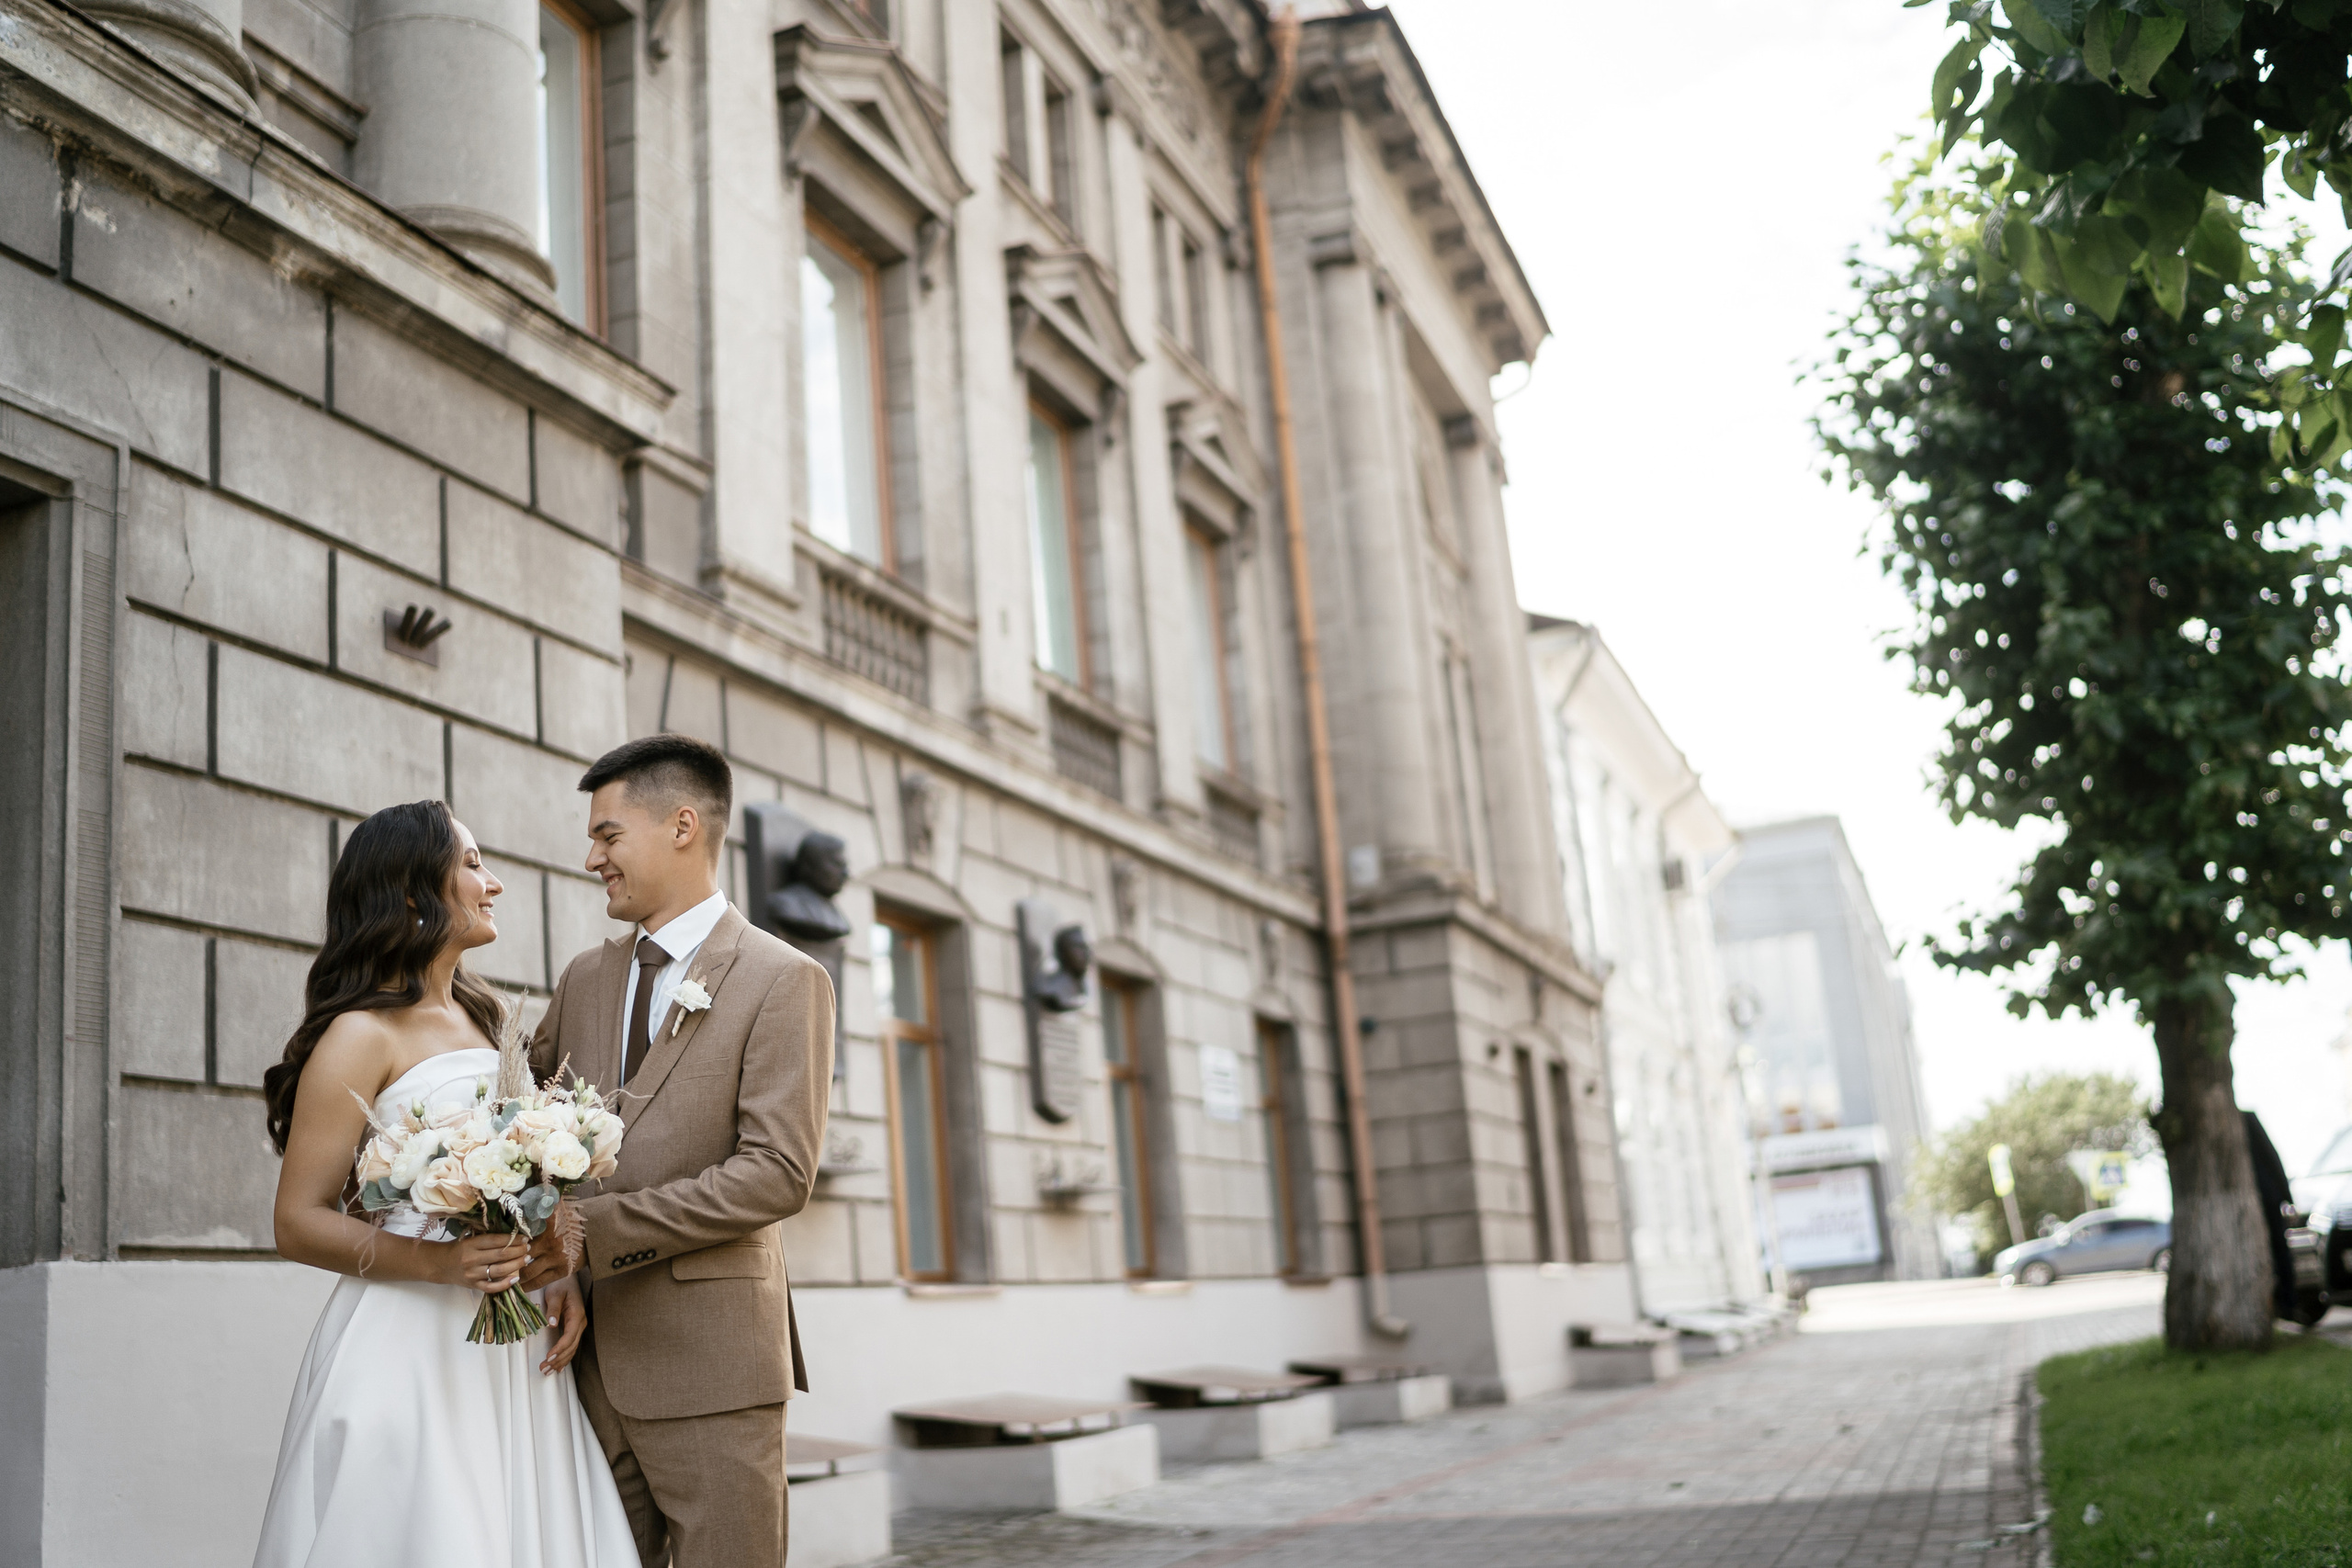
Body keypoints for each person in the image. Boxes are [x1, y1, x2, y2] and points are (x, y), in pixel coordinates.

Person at [251, 799, 637, 1568]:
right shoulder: (360, 1034)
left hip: (514, 1345)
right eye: (471, 863)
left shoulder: (490, 1021)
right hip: (411, 1342)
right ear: (409, 891)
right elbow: (297, 1220)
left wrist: (554, 1269)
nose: (493, 883)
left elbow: (530, 1181)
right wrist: (439, 1261)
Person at [521, 734, 834, 1568]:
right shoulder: (583, 977)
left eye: (608, 835)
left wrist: (593, 1231)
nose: (592, 858)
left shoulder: (782, 978)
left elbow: (777, 1174)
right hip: (580, 1368)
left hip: (715, 1372)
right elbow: (525, 1125)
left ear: (683, 826)